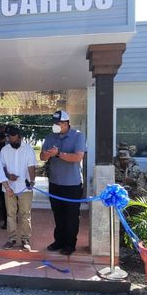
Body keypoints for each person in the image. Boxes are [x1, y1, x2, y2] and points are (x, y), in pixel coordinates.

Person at [40, 110, 86, 256]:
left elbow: (78, 157)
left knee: (71, 216)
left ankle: (69, 244)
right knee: (58, 215)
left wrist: (58, 154)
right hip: (55, 183)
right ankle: (58, 241)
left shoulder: (78, 136)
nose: (56, 126)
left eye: (58, 123)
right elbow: (42, 157)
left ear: (66, 123)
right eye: (54, 123)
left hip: (72, 185)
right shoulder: (50, 137)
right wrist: (47, 154)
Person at [0, 126, 38, 251]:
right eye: (11, 140)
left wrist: (32, 181)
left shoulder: (28, 149)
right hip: (9, 188)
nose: (13, 143)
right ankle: (11, 239)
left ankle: (25, 240)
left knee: (25, 214)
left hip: (25, 188)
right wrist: (8, 175)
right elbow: (2, 167)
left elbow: (31, 167)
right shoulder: (4, 150)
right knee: (10, 214)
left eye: (15, 141)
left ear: (20, 137)